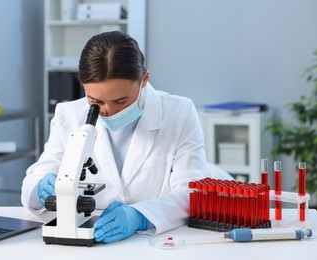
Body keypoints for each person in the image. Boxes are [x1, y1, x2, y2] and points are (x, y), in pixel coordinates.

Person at [21, 31, 209, 243]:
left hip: (153, 243)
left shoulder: (179, 113)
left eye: (120, 101)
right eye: (95, 101)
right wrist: (41, 188)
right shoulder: (69, 116)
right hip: (87, 243)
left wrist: (140, 217)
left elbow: (193, 193)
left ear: (144, 79)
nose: (108, 111)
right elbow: (33, 181)